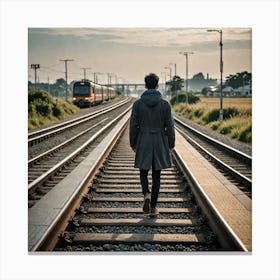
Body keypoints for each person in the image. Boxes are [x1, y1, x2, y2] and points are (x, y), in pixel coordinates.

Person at [129, 73, 175, 217]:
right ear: (157, 85)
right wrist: (171, 144)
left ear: (145, 85)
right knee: (157, 175)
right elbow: (170, 126)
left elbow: (133, 126)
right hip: (160, 140)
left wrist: (133, 143)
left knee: (143, 171)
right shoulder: (165, 104)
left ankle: (146, 194)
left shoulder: (137, 104)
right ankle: (154, 207)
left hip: (143, 139)